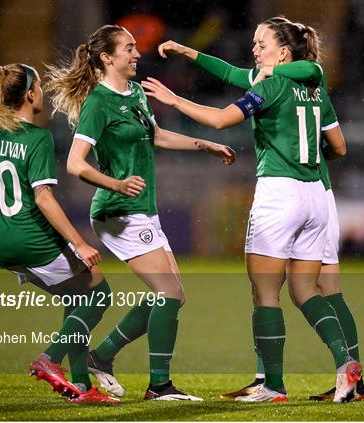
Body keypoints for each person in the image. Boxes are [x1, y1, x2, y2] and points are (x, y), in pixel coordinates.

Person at [142, 16, 362, 403]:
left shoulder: (273, 84)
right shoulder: (313, 87)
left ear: (283, 51)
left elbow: (222, 120)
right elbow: (338, 146)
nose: (255, 49)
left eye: (262, 43)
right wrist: (189, 51)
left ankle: (272, 385)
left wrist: (175, 101)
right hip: (317, 194)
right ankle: (347, 367)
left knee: (265, 293)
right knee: (306, 290)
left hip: (279, 192)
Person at [45, 24, 235, 401]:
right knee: (168, 292)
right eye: (129, 48)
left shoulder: (134, 93)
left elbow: (157, 135)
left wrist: (204, 144)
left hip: (141, 209)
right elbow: (75, 163)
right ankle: (159, 385)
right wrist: (115, 184)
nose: (136, 54)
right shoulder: (98, 103)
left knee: (173, 296)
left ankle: (103, 356)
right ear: (106, 57)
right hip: (118, 210)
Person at [0, 63, 118, 404]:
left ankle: (81, 387)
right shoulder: (38, 138)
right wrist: (78, 244)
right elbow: (44, 197)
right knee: (99, 293)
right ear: (30, 94)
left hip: (2, 243)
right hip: (32, 239)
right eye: (38, 86)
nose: (43, 93)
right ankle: (50, 359)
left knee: (78, 297)